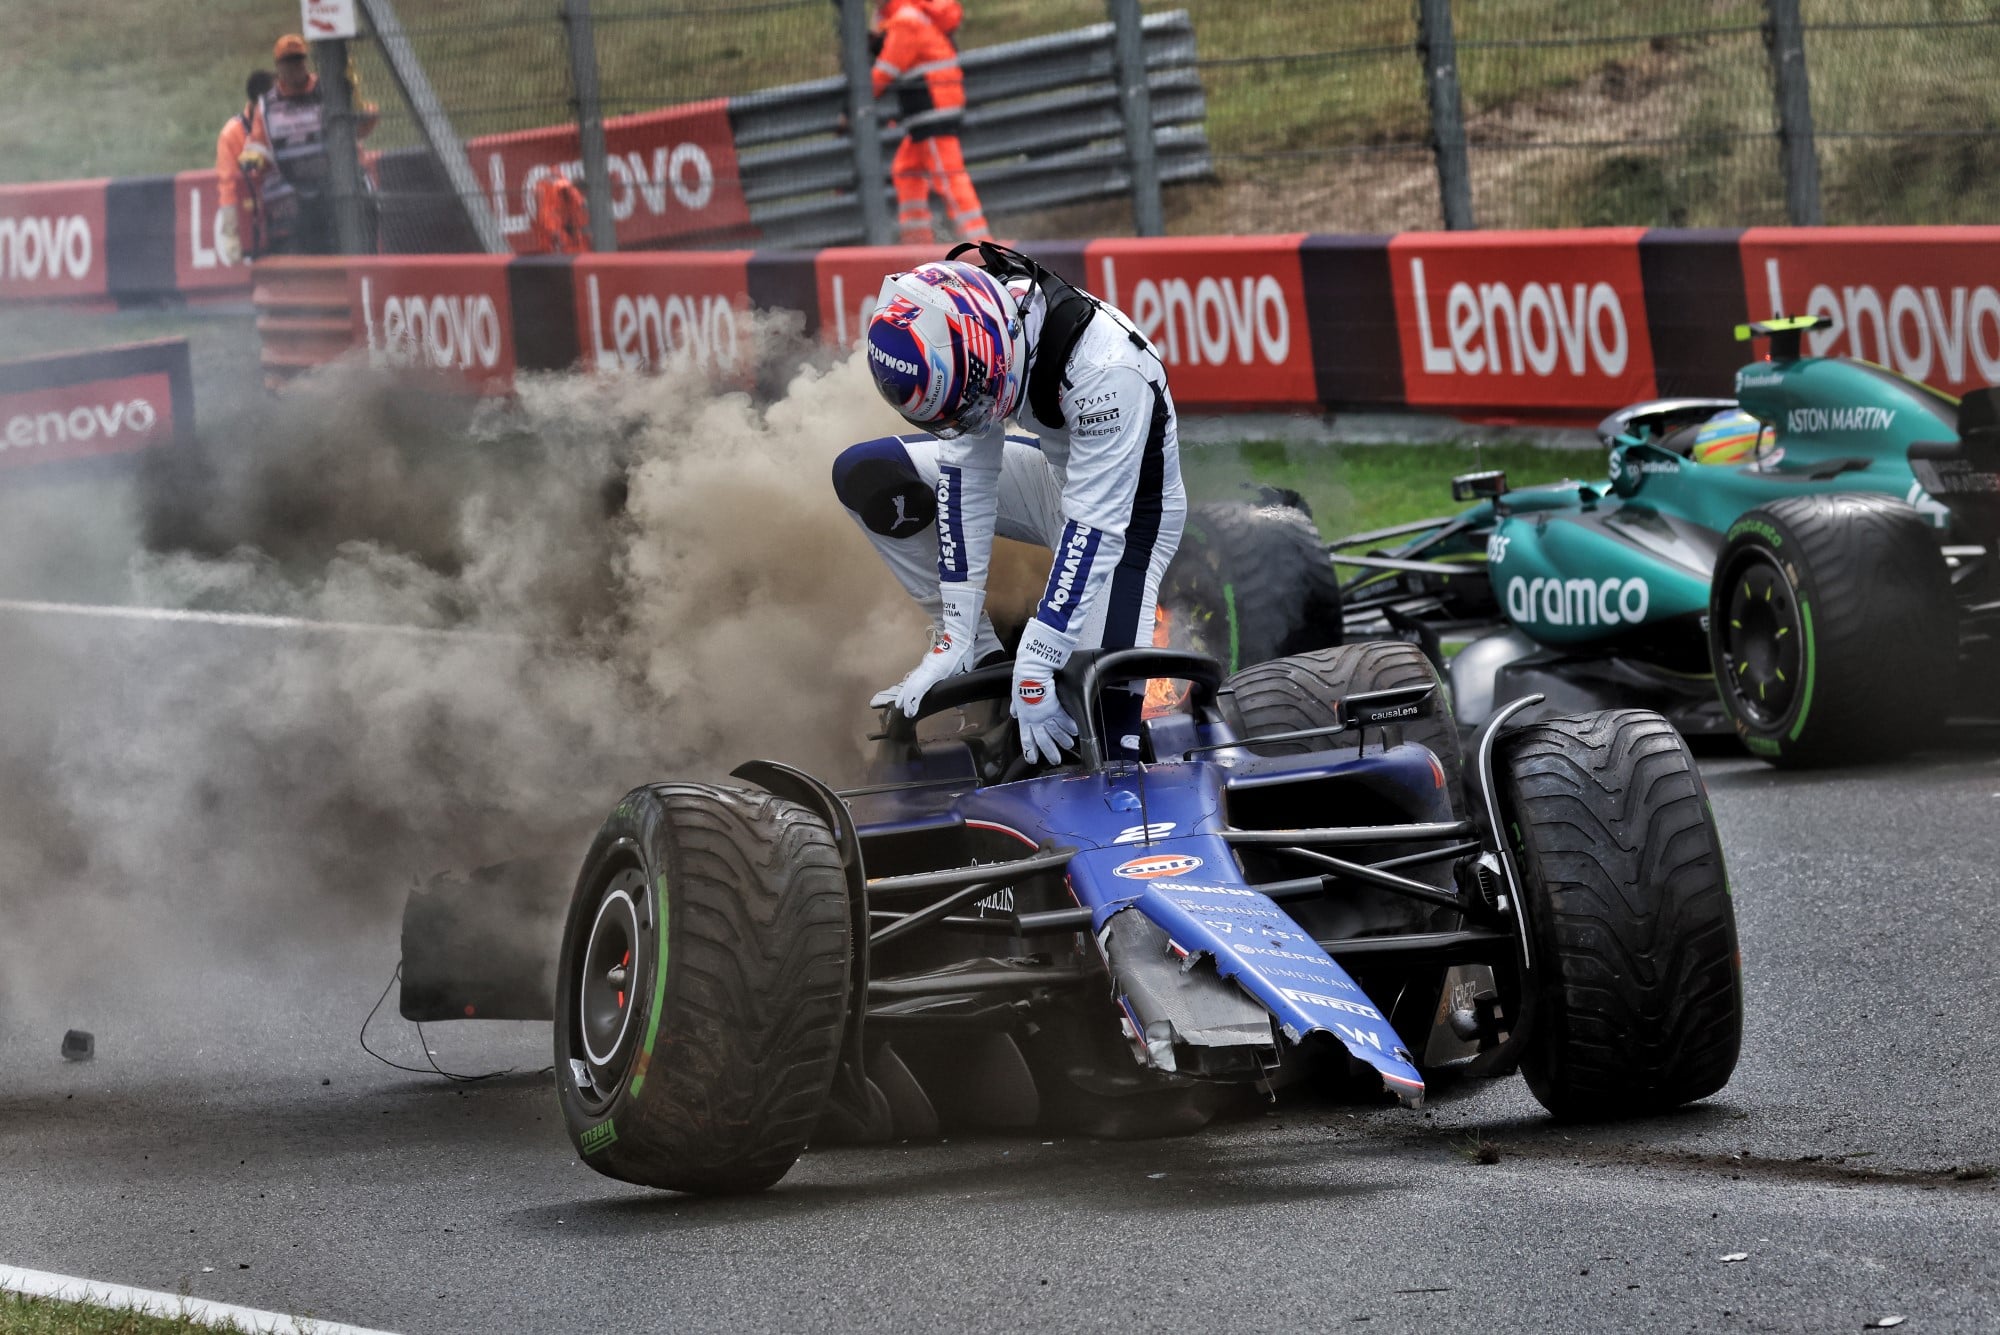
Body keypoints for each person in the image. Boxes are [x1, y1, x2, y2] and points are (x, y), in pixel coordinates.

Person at [833, 243, 1185, 764]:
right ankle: (981, 656)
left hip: (1127, 518)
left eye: (971, 403)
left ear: (998, 350)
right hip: (1055, 478)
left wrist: (1040, 659)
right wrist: (956, 634)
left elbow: (1095, 528)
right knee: (869, 475)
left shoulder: (1110, 371)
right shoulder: (976, 328)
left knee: (1103, 745)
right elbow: (965, 475)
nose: (969, 419)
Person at [245, 33, 380, 255]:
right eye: (288, 61)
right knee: (317, 254)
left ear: (305, 60)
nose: (294, 66)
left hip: (342, 185)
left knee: (357, 246)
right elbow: (259, 144)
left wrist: (366, 115)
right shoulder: (267, 105)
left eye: (298, 59)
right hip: (300, 197)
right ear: (278, 66)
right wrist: (254, 158)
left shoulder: (329, 88)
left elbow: (360, 127)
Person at [870, 0, 990, 245]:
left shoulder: (905, 20)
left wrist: (855, 103)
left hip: (933, 109)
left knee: (948, 176)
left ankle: (982, 246)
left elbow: (885, 71)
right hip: (930, 109)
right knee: (906, 169)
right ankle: (917, 244)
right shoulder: (903, 17)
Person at [214, 69, 275, 265]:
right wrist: (231, 233)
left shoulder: (285, 119)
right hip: (258, 219)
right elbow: (228, 185)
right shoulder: (232, 134)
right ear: (260, 103)